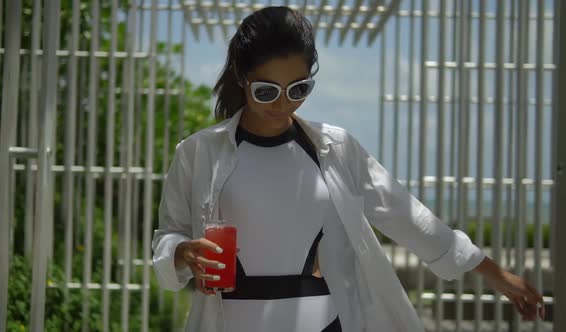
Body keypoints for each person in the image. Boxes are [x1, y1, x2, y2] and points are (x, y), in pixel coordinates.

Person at [152, 6, 545, 332]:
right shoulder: (198, 152)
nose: (283, 103)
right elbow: (169, 235)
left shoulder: (335, 148)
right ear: (241, 76)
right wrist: (182, 253)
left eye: (299, 88)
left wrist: (495, 274)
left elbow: (410, 218)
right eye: (266, 91)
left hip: (326, 322)